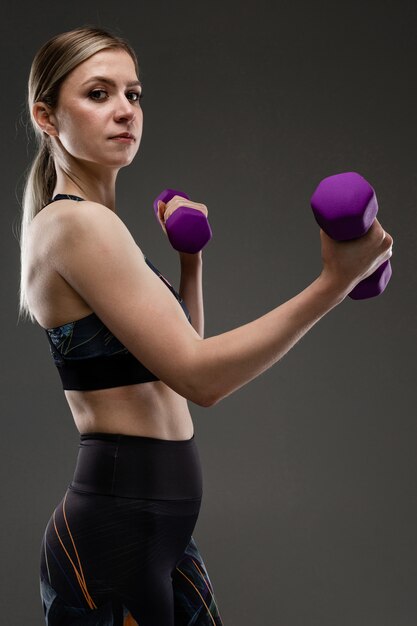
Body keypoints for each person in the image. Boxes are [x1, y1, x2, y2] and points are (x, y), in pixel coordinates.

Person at [18, 25, 393, 626]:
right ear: (47, 117)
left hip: (156, 527)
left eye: (133, 94)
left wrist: (189, 263)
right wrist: (333, 283)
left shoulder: (95, 227)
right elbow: (203, 379)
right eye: (98, 93)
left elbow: (176, 362)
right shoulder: (75, 226)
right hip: (115, 532)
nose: (124, 110)